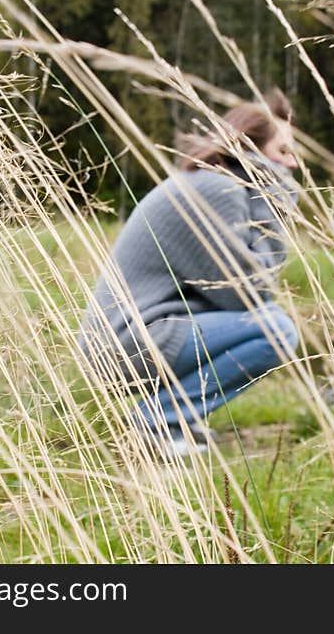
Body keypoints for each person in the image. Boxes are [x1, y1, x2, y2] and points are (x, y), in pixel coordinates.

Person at [78, 89, 301, 458]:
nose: (291, 165)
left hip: (141, 336)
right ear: (250, 152)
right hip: (125, 345)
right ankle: (153, 424)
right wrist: (274, 202)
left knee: (271, 323)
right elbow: (246, 292)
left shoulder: (214, 184)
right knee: (276, 329)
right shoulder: (217, 189)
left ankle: (172, 421)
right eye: (282, 152)